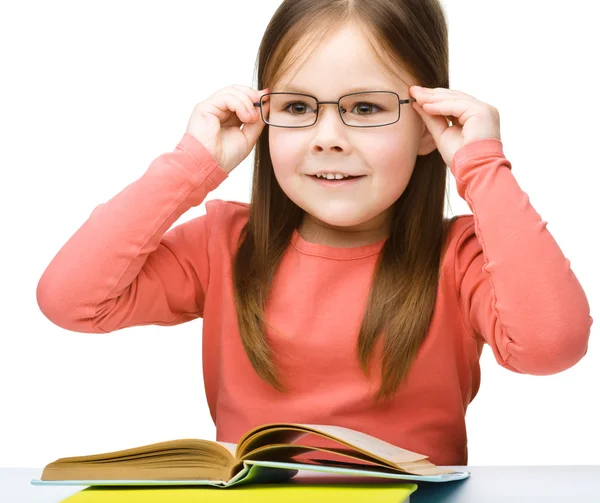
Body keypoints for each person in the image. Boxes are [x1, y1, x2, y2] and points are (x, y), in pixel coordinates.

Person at [36, 0, 592, 467]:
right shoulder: (222, 245)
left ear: (430, 125)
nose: (328, 138)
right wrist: (192, 164)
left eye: (366, 108)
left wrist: (481, 166)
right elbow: (71, 301)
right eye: (298, 106)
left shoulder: (461, 257)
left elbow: (550, 348)